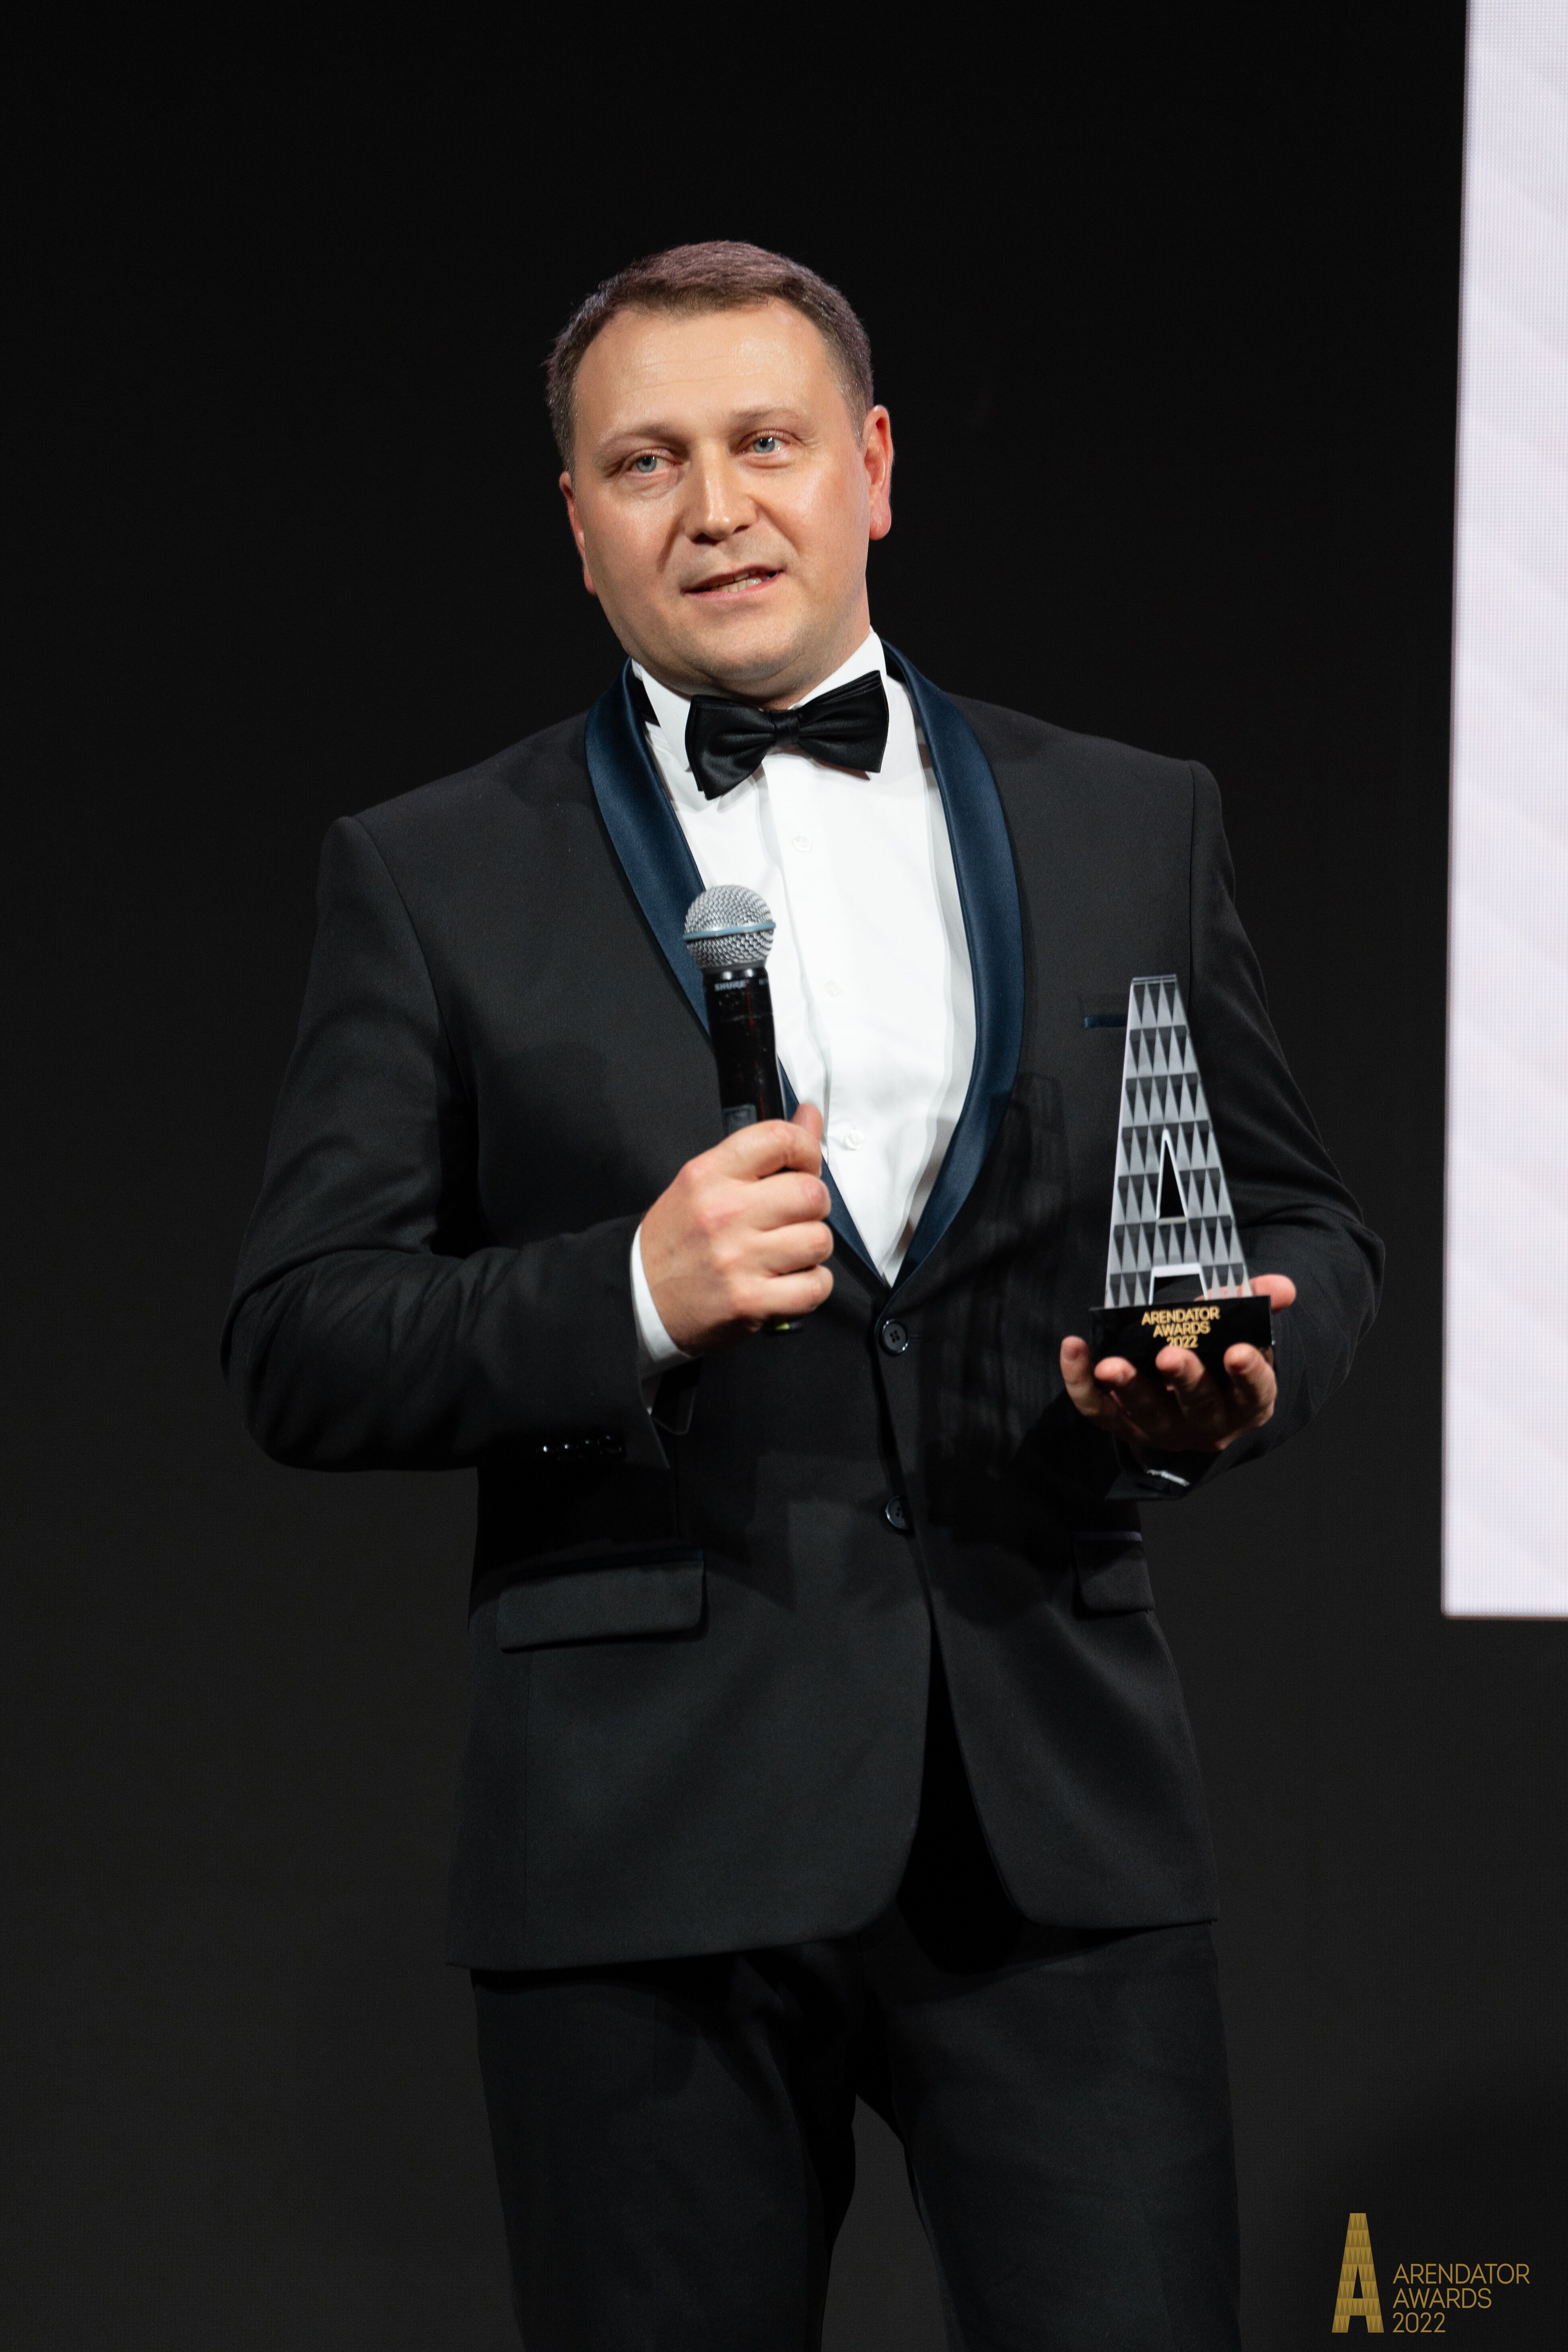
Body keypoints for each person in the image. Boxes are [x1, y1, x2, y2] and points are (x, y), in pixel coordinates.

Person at [225, 241, 1381, 2350]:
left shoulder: (1135, 821)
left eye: (765, 442)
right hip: (640, 1851)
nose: (716, 507)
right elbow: (301, 1336)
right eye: (644, 462)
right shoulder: (431, 869)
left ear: (873, 468)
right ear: (578, 523)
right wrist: (629, 1292)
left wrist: (1238, 1368)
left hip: (1057, 1825)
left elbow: (1306, 1219)